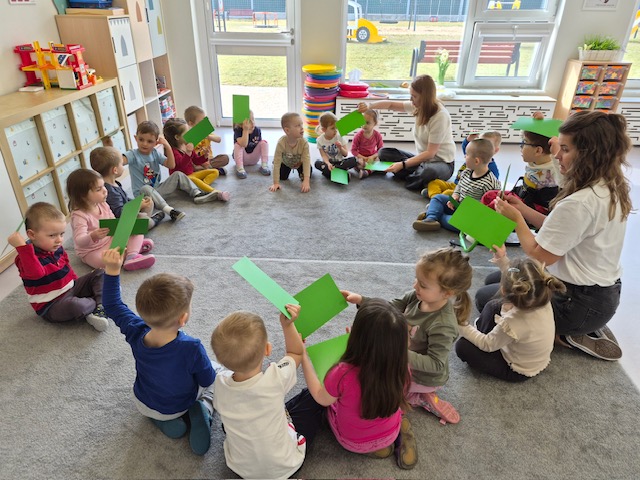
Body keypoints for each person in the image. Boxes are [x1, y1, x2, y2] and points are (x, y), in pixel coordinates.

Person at [477, 111, 632, 361]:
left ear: (589, 155)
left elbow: (540, 255)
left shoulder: (580, 202)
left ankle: (564, 333)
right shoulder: (608, 182)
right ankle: (579, 326)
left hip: (577, 301)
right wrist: (523, 209)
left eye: (565, 149)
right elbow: (560, 230)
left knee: (487, 301)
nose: (556, 155)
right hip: (599, 295)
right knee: (495, 279)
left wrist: (517, 220)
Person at [102, 248, 217, 455]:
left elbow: (112, 305)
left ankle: (163, 421)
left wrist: (112, 271)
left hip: (144, 402)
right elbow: (207, 379)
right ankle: (203, 409)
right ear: (183, 318)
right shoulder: (191, 347)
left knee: (163, 397)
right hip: (182, 403)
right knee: (219, 375)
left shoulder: (135, 329)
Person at [345, 247, 473, 425]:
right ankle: (414, 393)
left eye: (423, 285)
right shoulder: (417, 296)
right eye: (417, 280)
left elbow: (436, 364)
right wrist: (362, 300)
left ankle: (418, 396)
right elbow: (389, 308)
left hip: (423, 376)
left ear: (447, 293)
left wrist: (397, 353)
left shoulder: (443, 325)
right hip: (404, 356)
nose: (415, 286)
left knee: (378, 383)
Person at [301, 298, 418, 470]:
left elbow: (320, 397)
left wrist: (303, 357)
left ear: (357, 337)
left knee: (327, 407)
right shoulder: (402, 367)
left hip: (353, 442)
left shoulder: (342, 373)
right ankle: (393, 437)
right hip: (390, 431)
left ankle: (373, 449)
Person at [210, 305, 324, 479]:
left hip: (243, 470)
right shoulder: (275, 378)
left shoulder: (220, 383)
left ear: (220, 360)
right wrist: (287, 325)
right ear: (268, 349)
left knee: (229, 424)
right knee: (312, 397)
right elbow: (295, 352)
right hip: (286, 466)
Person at [455, 245, 565, 382]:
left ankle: (483, 333)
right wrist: (502, 259)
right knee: (493, 306)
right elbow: (514, 279)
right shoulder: (540, 297)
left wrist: (461, 324)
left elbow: (487, 344)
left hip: (517, 369)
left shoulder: (513, 322)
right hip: (529, 354)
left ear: (503, 291)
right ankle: (486, 333)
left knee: (463, 346)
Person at [7, 202, 108, 331]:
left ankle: (99, 304)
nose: (59, 240)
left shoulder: (57, 248)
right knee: (76, 306)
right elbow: (37, 273)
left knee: (100, 273)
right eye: (52, 235)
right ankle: (99, 300)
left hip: (71, 288)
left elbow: (67, 268)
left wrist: (79, 285)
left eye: (61, 234)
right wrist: (22, 248)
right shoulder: (24, 258)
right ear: (32, 235)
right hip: (51, 305)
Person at [357, 74, 456, 191]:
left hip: (442, 163)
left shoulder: (440, 116)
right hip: (422, 161)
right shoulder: (418, 106)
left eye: (414, 96)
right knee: (384, 153)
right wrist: (370, 106)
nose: (410, 99)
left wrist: (403, 165)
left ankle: (413, 177)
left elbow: (430, 153)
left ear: (425, 97)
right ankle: (417, 178)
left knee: (427, 172)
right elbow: (390, 104)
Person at [67, 169, 155, 271]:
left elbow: (113, 221)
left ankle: (131, 255)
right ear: (82, 195)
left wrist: (126, 225)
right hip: (93, 250)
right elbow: (79, 240)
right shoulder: (79, 215)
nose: (105, 190)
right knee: (103, 262)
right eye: (98, 189)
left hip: (110, 240)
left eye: (103, 186)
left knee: (136, 229)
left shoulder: (102, 203)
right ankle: (131, 250)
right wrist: (93, 236)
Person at [123, 120, 223, 205]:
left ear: (155, 142)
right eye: (141, 140)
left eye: (149, 141)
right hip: (143, 196)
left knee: (211, 172)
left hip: (158, 189)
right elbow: (119, 161)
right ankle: (210, 191)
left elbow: (174, 164)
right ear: (136, 138)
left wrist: (204, 156)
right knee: (189, 178)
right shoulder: (133, 154)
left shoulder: (156, 153)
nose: (144, 144)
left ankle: (197, 194)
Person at [413, 138, 500, 232]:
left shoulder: (491, 183)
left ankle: (434, 216)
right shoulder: (467, 172)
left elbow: (490, 207)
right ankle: (431, 218)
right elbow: (459, 186)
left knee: (452, 221)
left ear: (476, 161)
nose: (464, 156)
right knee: (438, 198)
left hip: (470, 217)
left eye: (466, 155)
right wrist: (455, 195)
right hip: (458, 205)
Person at [481, 115, 562, 216]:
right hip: (522, 193)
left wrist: (556, 153)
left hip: (535, 206)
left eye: (524, 143)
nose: (521, 146)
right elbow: (528, 135)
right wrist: (536, 123)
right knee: (489, 196)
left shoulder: (553, 168)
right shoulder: (535, 159)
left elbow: (563, 179)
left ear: (538, 151)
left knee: (494, 205)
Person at [90, 146, 167, 229]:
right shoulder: (109, 191)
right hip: (122, 223)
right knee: (143, 219)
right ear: (115, 170)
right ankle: (152, 221)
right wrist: (138, 206)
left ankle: (144, 222)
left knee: (148, 200)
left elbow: (125, 200)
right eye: (121, 164)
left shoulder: (114, 183)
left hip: (129, 213)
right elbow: (119, 214)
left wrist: (137, 202)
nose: (123, 166)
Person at [162, 117, 230, 200]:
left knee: (215, 172)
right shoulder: (173, 151)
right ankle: (215, 192)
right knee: (193, 179)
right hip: (183, 180)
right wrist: (188, 153)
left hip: (191, 174)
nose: (190, 134)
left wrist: (204, 156)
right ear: (177, 137)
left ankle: (202, 186)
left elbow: (196, 161)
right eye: (187, 133)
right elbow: (181, 166)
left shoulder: (186, 145)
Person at [423, 130, 501, 199]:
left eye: (487, 145)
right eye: (479, 142)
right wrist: (469, 139)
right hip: (456, 185)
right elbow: (466, 147)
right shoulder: (472, 154)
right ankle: (435, 196)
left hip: (465, 191)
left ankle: (436, 197)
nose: (480, 146)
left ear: (496, 150)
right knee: (434, 182)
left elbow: (491, 191)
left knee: (447, 193)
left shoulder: (492, 170)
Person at [270, 112, 312, 193]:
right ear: (287, 130)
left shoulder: (304, 143)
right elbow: (277, 162)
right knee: (282, 177)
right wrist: (276, 183)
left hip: (300, 164)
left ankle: (303, 175)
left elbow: (306, 160)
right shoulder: (281, 143)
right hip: (286, 163)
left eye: (301, 124)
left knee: (308, 174)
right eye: (298, 126)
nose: (302, 128)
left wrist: (306, 181)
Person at [184, 105, 229, 176]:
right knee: (190, 166)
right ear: (191, 123)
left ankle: (206, 170)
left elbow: (219, 139)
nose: (204, 123)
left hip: (209, 159)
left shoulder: (205, 131)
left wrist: (208, 136)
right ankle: (211, 170)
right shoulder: (189, 136)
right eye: (201, 121)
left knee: (225, 158)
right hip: (197, 162)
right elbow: (187, 154)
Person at [314, 112, 360, 181]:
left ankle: (331, 173)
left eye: (336, 128)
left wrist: (340, 147)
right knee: (317, 163)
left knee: (354, 160)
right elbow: (323, 156)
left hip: (341, 162)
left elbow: (345, 154)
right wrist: (328, 164)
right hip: (330, 164)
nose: (335, 130)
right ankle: (339, 173)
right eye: (332, 128)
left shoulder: (340, 137)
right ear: (324, 130)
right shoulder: (319, 140)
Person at [232, 109, 271, 179]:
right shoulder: (238, 130)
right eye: (249, 121)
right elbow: (244, 144)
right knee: (237, 145)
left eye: (253, 119)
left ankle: (264, 165)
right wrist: (245, 130)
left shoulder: (257, 130)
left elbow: (259, 146)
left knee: (264, 143)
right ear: (241, 124)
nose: (253, 122)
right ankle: (240, 168)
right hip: (242, 158)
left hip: (254, 159)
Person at [351, 109, 384, 179]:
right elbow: (353, 150)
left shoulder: (377, 135)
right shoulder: (358, 136)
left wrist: (372, 157)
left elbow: (381, 150)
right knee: (356, 161)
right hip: (361, 157)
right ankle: (370, 169)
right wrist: (363, 158)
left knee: (380, 159)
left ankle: (367, 171)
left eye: (367, 123)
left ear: (375, 123)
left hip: (372, 157)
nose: (364, 125)